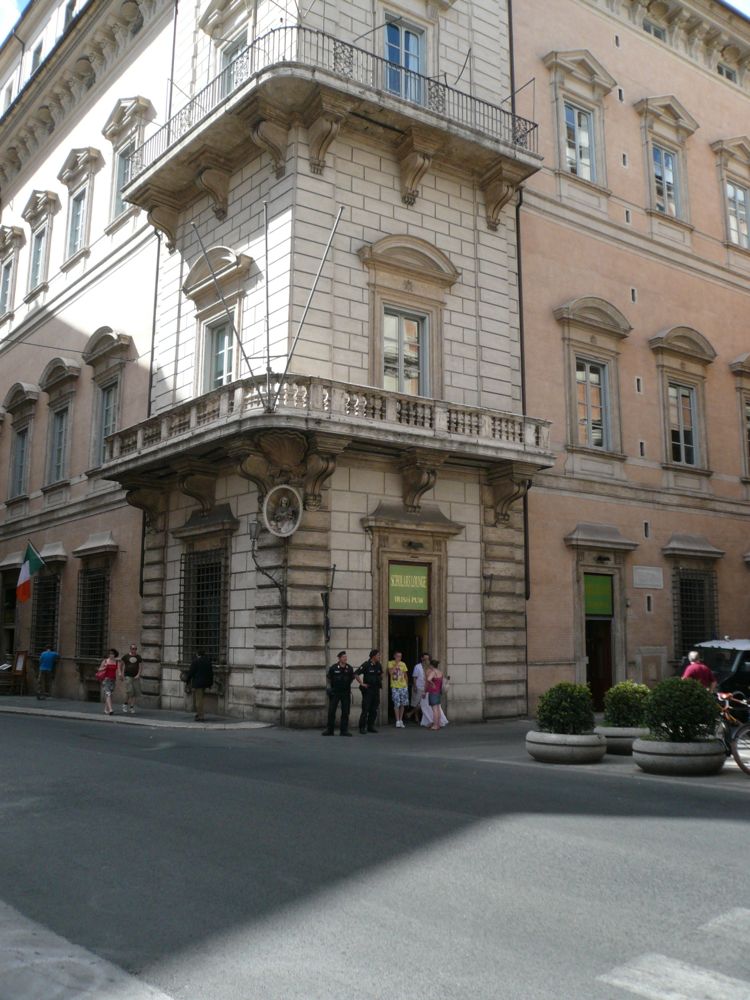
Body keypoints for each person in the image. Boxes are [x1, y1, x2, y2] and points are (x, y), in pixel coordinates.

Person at [322, 650, 354, 736]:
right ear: (339, 658)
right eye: (343, 657)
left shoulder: (349, 668)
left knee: (345, 712)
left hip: (345, 693)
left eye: (346, 657)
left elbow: (351, 679)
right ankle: (330, 730)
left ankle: (344, 731)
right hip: (335, 692)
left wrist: (345, 685)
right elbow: (329, 678)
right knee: (331, 711)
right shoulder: (333, 668)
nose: (345, 658)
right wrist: (329, 688)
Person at [355, 649, 383, 734]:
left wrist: (379, 679)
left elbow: (381, 673)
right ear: (373, 656)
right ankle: (362, 727)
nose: (379, 656)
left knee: (374, 709)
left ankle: (370, 726)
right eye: (378, 655)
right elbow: (356, 674)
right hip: (368, 690)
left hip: (376, 690)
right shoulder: (366, 664)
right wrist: (361, 683)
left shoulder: (378, 665)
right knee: (365, 709)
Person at [186, 650, 213, 721]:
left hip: (198, 683)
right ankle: (199, 714)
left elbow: (191, 672)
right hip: (205, 683)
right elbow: (211, 673)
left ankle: (200, 716)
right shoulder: (208, 661)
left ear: (197, 654)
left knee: (198, 700)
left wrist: (187, 680)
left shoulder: (196, 661)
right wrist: (210, 683)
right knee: (200, 698)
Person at [387, 650, 409, 728]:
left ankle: (401, 719)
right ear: (394, 656)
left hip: (403, 686)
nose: (399, 658)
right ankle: (397, 721)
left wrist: (406, 685)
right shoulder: (390, 663)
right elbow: (390, 673)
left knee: (403, 704)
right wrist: (396, 664)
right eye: (398, 656)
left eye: (400, 656)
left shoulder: (403, 664)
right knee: (396, 703)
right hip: (395, 686)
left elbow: (405, 675)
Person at [119, 643, 142, 714]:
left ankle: (131, 707)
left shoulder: (138, 657)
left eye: (135, 649)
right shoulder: (126, 656)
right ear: (130, 649)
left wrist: (138, 674)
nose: (134, 650)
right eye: (132, 648)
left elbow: (140, 667)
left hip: (135, 677)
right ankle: (125, 704)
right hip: (128, 676)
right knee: (130, 691)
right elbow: (120, 665)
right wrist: (120, 673)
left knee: (135, 692)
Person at [424, 658, 446, 731]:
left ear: (431, 665)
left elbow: (428, 679)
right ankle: (438, 724)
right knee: (438, 709)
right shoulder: (440, 672)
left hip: (433, 691)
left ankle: (435, 725)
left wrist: (432, 684)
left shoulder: (433, 672)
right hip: (438, 692)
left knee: (434, 709)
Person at [407, 652, 429, 723]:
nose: (426, 659)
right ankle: (416, 717)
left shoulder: (429, 667)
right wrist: (415, 686)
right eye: (425, 658)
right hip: (418, 686)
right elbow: (414, 677)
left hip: (426, 688)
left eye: (427, 658)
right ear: (422, 658)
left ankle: (410, 713)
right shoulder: (417, 666)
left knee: (423, 703)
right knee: (416, 703)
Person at [98, 648, 119, 715]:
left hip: (113, 680)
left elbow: (118, 671)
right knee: (108, 694)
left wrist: (120, 674)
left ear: (115, 655)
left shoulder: (116, 662)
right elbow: (99, 669)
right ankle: (110, 710)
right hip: (106, 679)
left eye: (112, 654)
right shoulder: (105, 661)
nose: (111, 655)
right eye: (110, 654)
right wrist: (105, 667)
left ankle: (105, 709)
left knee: (110, 695)